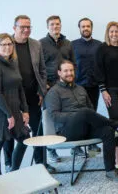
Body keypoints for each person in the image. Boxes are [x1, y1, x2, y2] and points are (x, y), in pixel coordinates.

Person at [44, 60, 118, 184]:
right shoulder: (54, 92)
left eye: (71, 70)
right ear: (59, 73)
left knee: (107, 130)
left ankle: (111, 171)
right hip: (67, 132)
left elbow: (91, 110)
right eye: (66, 71)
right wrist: (77, 116)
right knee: (84, 112)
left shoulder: (80, 89)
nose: (69, 73)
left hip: (85, 127)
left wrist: (85, 116)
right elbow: (55, 116)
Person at [3, 15, 51, 172]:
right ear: (14, 28)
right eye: (22, 27)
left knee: (39, 130)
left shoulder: (36, 44)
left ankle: (41, 163)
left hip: (33, 96)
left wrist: (42, 91)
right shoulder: (6, 44)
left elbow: (43, 71)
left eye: (28, 27)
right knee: (9, 133)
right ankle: (9, 163)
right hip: (11, 98)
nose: (26, 30)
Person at [40, 15, 77, 160]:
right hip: (49, 88)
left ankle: (75, 146)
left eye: (57, 24)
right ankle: (51, 150)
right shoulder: (40, 44)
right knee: (50, 118)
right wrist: (44, 84)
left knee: (71, 114)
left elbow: (74, 64)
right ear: (48, 27)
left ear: (61, 26)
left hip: (67, 87)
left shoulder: (68, 43)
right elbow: (38, 67)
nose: (55, 27)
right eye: (52, 25)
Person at [95, 21, 118, 169]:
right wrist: (103, 90)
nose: (114, 34)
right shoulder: (102, 48)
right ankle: (115, 158)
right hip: (110, 90)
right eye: (111, 32)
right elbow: (98, 70)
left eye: (116, 31)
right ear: (107, 33)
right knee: (114, 119)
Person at [0, 33, 30, 175]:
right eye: (3, 44)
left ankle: (13, 171)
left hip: (15, 110)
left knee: (25, 138)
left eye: (10, 44)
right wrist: (8, 114)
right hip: (1, 112)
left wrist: (26, 110)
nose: (7, 47)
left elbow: (20, 88)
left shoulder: (13, 63)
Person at [71, 17, 102, 153]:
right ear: (79, 28)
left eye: (88, 26)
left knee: (92, 114)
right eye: (83, 26)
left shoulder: (99, 45)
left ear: (91, 28)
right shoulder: (72, 45)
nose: (85, 28)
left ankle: (91, 143)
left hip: (93, 85)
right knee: (76, 116)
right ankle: (76, 145)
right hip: (76, 86)